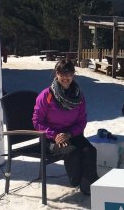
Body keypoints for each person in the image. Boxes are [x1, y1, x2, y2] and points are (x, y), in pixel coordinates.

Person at [32, 59, 98, 195]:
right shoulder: (46, 95)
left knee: (90, 150)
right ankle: (76, 180)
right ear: (57, 74)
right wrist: (55, 135)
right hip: (51, 138)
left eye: (69, 74)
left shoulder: (79, 96)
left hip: (71, 134)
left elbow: (82, 121)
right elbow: (37, 121)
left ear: (73, 74)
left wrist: (69, 134)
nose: (65, 78)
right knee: (71, 152)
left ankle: (88, 186)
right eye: (62, 74)